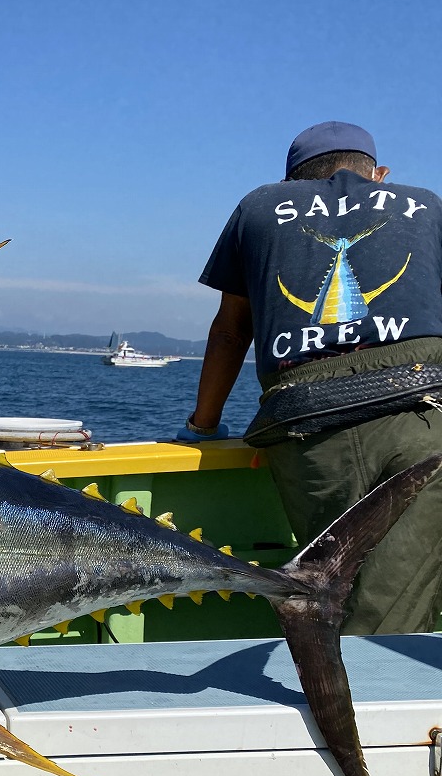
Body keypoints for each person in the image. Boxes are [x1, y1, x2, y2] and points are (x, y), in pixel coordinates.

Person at [179, 120, 442, 635]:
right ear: (380, 176)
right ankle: (374, 705)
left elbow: (231, 332)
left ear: (292, 182)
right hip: (424, 404)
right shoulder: (428, 205)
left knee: (342, 584)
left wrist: (202, 428)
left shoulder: (260, 206)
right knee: (390, 610)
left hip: (307, 412)